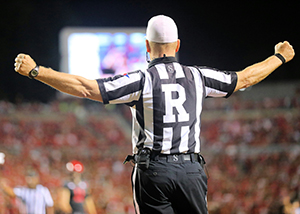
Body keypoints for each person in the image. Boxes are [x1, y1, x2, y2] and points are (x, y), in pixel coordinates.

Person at [13, 14, 295, 214]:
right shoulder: (198, 76)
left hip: (153, 172)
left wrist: (38, 71)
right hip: (192, 170)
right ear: (178, 45)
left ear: (147, 47)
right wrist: (279, 57)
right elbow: (244, 78)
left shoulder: (141, 79)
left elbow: (88, 88)